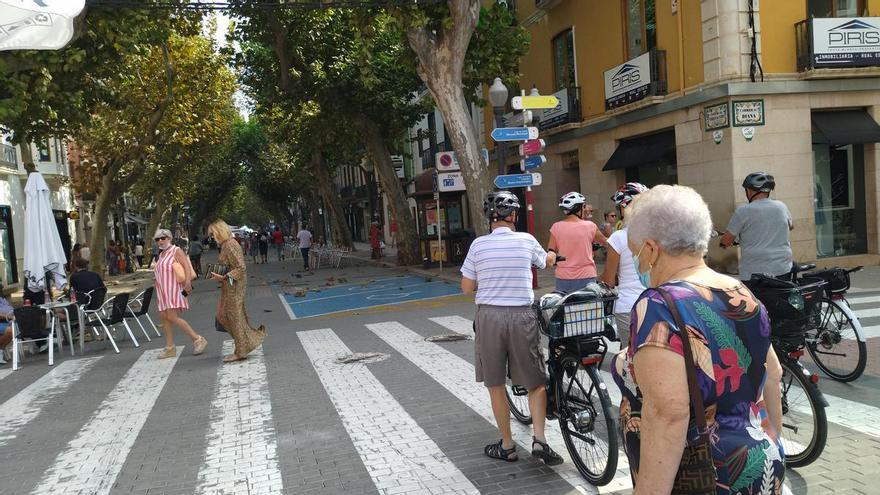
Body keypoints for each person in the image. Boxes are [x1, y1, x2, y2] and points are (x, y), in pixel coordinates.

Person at [610, 185, 784, 494]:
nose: (637, 260)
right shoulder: (739, 291)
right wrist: (774, 442)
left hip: (705, 474)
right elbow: (773, 373)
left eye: (636, 251)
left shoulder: (659, 305)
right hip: (758, 464)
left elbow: (668, 415)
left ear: (651, 249)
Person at [460, 191, 563, 466]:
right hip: (522, 316)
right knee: (536, 382)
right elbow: (546, 262)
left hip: (489, 318)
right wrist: (552, 254)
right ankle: (540, 440)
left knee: (495, 383)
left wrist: (490, 282)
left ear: (490, 218)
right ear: (514, 216)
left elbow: (467, 287)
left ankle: (507, 446)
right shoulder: (527, 240)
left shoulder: (478, 245)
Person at [208, 220, 267, 363]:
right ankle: (247, 342)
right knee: (226, 316)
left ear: (219, 232)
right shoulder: (226, 245)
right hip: (229, 284)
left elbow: (241, 267)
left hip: (234, 285)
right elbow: (231, 265)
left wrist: (224, 276)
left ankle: (241, 350)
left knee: (233, 317)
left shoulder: (230, 244)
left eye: (213, 234)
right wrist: (220, 274)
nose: (212, 237)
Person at [720, 172, 793, 281]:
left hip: (754, 273)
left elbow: (726, 241)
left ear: (749, 191)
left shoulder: (743, 211)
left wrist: (723, 244)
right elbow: (790, 226)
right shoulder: (782, 206)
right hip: (783, 269)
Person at [600, 182, 648, 346]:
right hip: (655, 304)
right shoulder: (658, 235)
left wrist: (596, 280)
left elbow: (608, 280)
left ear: (623, 207)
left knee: (630, 355)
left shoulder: (619, 237)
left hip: (628, 306)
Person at [153, 228, 207, 359]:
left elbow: (186, 266)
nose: (160, 241)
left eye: (163, 238)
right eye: (157, 239)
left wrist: (188, 282)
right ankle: (170, 347)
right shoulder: (161, 254)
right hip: (162, 291)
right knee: (164, 317)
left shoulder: (175, 250)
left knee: (172, 317)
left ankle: (197, 339)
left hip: (174, 289)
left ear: (169, 238)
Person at [548, 192, 607, 294]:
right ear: (578, 208)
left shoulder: (556, 227)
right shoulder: (590, 226)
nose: (585, 209)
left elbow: (551, 251)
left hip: (563, 277)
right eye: (583, 206)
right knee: (588, 304)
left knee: (565, 304)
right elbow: (607, 242)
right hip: (586, 277)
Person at [0, 291, 15, 365]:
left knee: (16, 328)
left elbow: (10, 308)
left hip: (8, 321)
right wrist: (8, 316)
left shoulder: (2, 299)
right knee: (10, 331)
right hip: (4, 321)